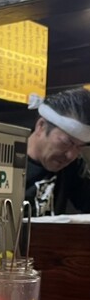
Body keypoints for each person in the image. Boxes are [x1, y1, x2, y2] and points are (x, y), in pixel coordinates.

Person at [26, 87, 90, 216]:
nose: (71, 155)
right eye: (66, 142)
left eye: (79, 147)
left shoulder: (73, 167)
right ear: (41, 126)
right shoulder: (5, 160)